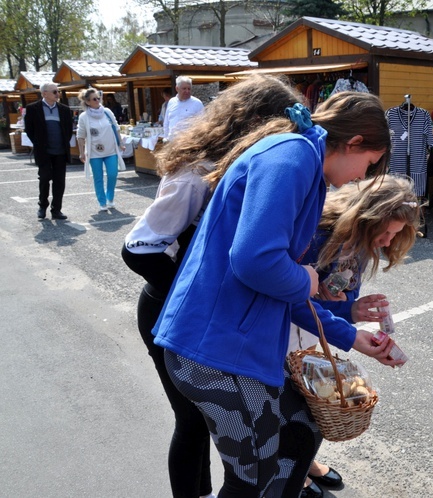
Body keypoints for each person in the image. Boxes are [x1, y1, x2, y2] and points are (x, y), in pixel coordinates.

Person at [152, 91, 401, 497]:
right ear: (354, 143)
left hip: (231, 347)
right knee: (250, 479)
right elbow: (255, 261)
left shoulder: (302, 161)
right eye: (367, 164)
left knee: (301, 431)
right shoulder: (294, 157)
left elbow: (278, 290)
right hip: (217, 351)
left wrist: (351, 335)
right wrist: (305, 279)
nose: (360, 176)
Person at [121, 73, 305, 498]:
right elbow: (138, 249)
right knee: (192, 420)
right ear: (254, 122)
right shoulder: (194, 172)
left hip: (209, 315)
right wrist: (195, 297)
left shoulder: (248, 163)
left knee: (220, 422)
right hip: (170, 310)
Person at [290, 174, 421, 498]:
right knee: (297, 407)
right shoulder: (318, 235)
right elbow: (294, 301)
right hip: (284, 331)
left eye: (397, 234)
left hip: (312, 331)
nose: (389, 241)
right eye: (387, 231)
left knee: (318, 400)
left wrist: (355, 310)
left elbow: (332, 301)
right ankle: (294, 471)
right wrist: (351, 335)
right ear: (366, 218)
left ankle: (305, 462)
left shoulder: (362, 245)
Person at [24, 82, 73, 220]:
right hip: (44, 152)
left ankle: (56, 210)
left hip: (60, 152)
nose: (58, 94)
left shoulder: (64, 109)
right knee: (45, 178)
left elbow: (68, 130)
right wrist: (39, 144)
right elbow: (29, 130)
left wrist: (62, 143)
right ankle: (42, 205)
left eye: (58, 91)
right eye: (54, 92)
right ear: (44, 93)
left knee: (59, 181)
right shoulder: (33, 108)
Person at [76, 88, 126, 212]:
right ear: (87, 102)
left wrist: (120, 143)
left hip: (111, 150)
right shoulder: (84, 117)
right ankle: (102, 201)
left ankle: (110, 198)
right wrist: (82, 152)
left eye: (98, 98)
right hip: (94, 153)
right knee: (98, 177)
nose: (98, 100)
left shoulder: (107, 112)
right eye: (94, 99)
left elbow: (116, 127)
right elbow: (80, 136)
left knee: (113, 174)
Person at [163, 76, 204, 140]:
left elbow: (203, 124)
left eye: (189, 89)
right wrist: (166, 138)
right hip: (172, 143)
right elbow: (166, 123)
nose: (187, 91)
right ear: (177, 88)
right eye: (184, 88)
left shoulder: (197, 103)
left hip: (189, 143)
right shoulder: (171, 102)